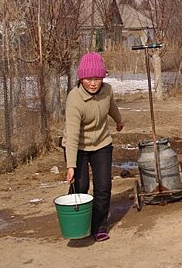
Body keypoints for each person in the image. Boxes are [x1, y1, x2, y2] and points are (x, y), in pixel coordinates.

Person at [62, 52, 124, 242]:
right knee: (81, 185)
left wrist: (119, 121)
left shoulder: (107, 91)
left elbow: (111, 106)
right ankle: (80, 221)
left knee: (103, 186)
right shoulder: (75, 99)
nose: (93, 83)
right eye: (89, 79)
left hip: (102, 144)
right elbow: (72, 134)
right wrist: (71, 165)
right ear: (81, 78)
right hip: (78, 146)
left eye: (97, 78)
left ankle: (99, 225)